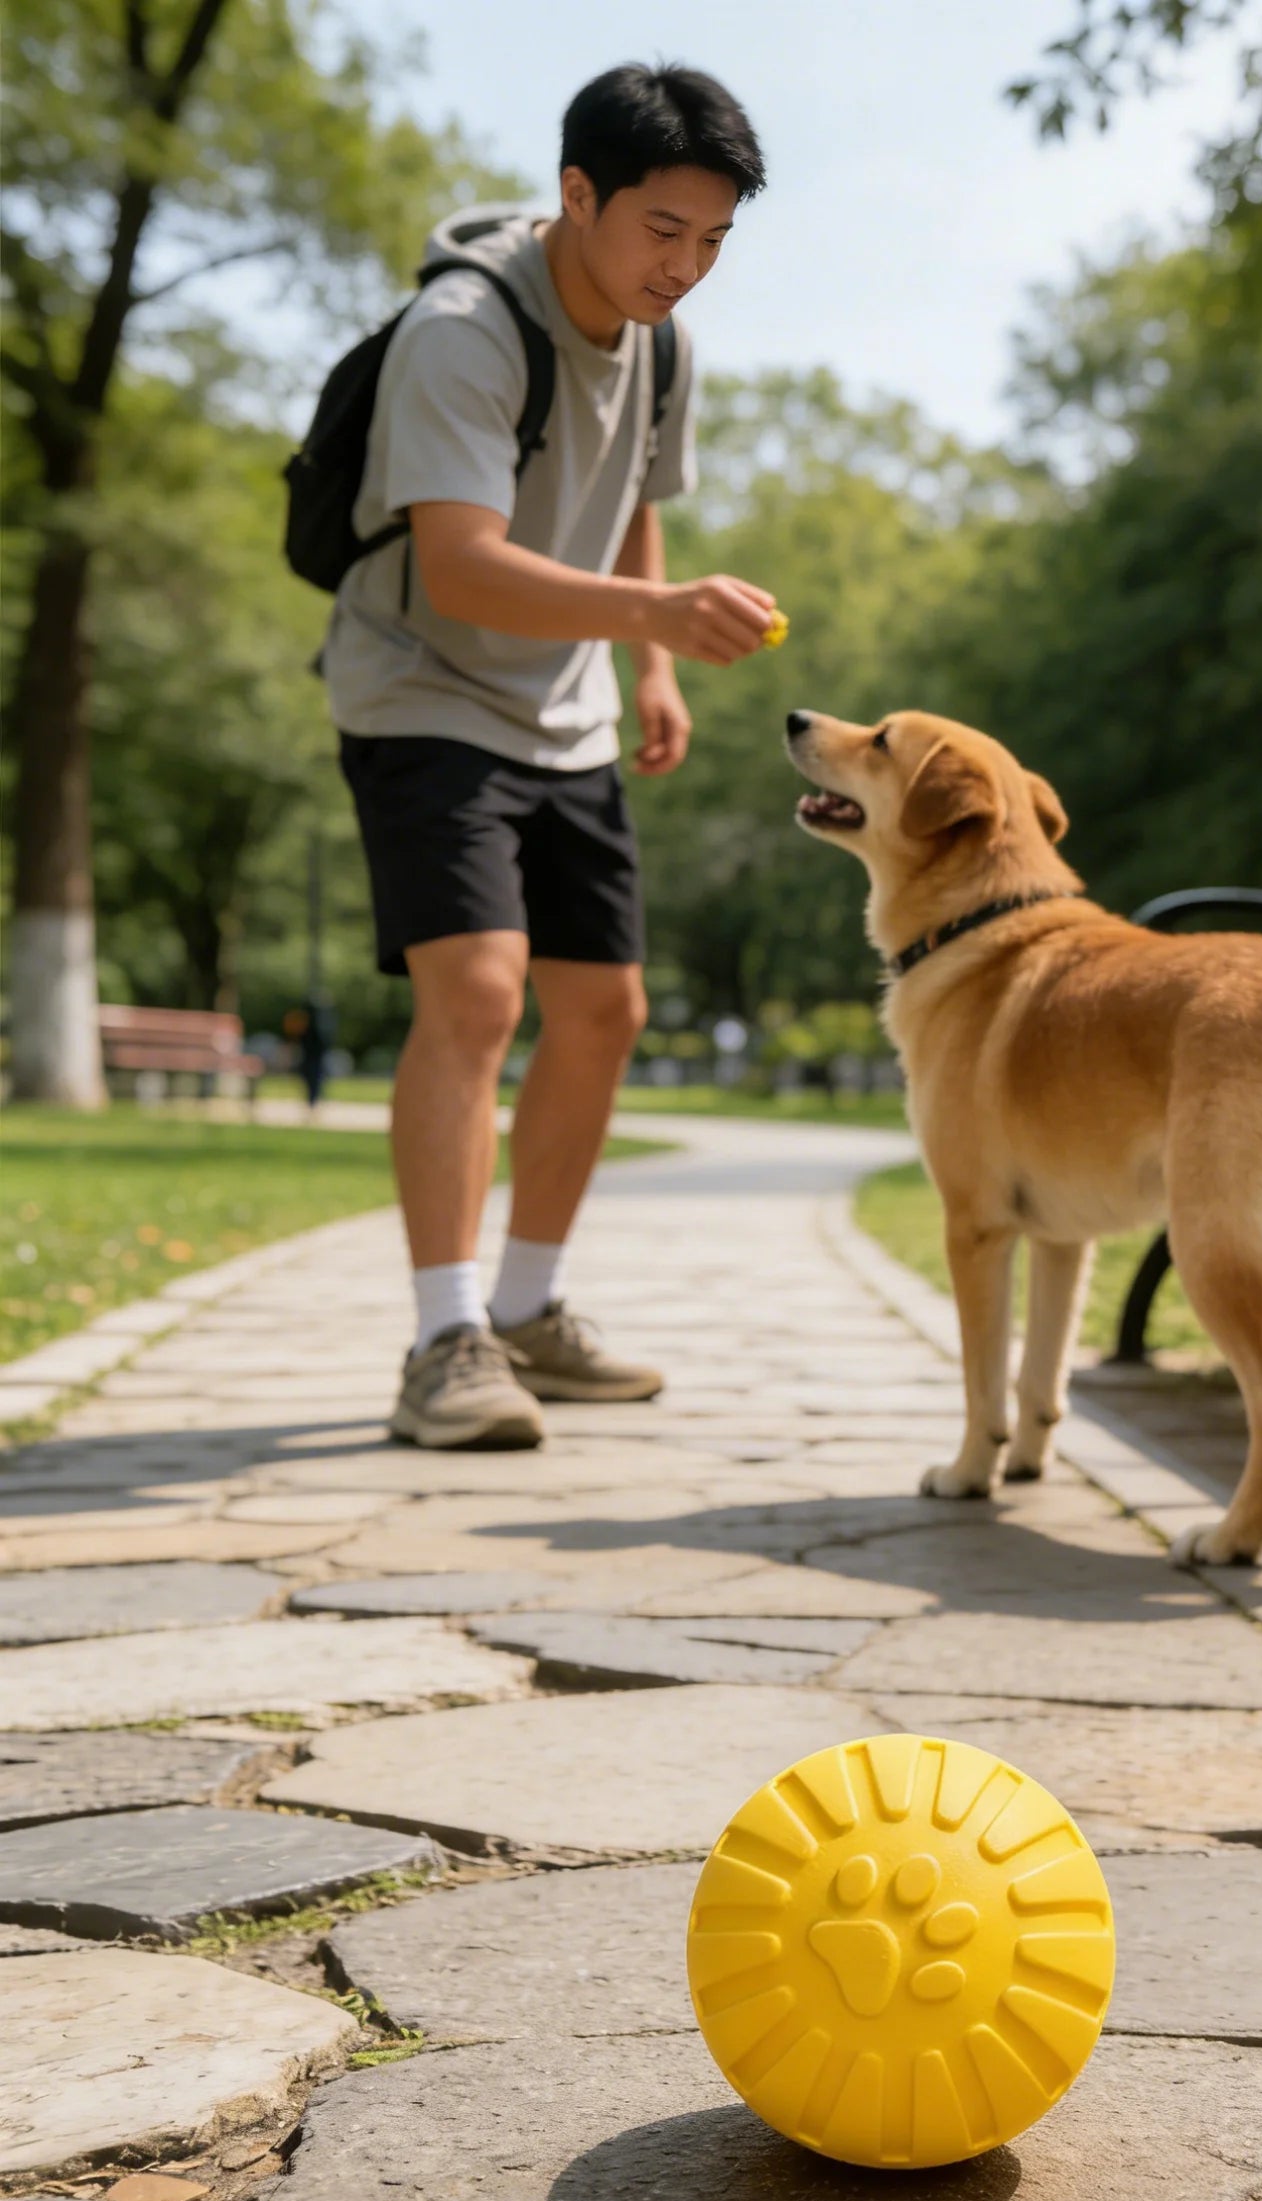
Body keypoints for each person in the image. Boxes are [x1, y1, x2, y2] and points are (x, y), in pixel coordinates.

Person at [324, 63, 774, 1449]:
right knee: (476, 992)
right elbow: (460, 570)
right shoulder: (463, 331)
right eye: (660, 231)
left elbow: (631, 492)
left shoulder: (663, 340)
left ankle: (528, 1310)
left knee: (605, 1009)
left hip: (566, 703)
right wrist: (655, 616)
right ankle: (444, 1339)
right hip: (424, 687)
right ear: (576, 193)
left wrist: (644, 663)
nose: (684, 268)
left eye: (711, 241)